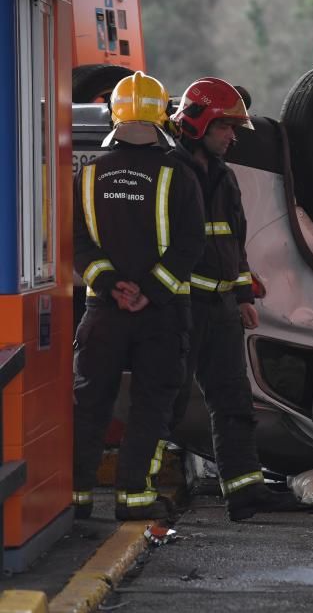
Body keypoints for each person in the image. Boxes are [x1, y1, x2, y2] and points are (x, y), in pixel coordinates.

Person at [72, 71, 205, 521]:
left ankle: (78, 499)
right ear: (162, 118)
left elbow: (76, 242)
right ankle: (133, 495)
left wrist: (112, 285)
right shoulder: (179, 174)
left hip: (102, 312)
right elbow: (191, 244)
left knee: (90, 403)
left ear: (115, 114)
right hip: (160, 313)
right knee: (153, 403)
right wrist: (147, 291)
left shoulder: (87, 173)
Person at [168, 77, 296, 521]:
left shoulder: (225, 178)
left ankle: (245, 493)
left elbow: (234, 244)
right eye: (226, 128)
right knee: (165, 402)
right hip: (180, 310)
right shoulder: (171, 174)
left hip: (221, 311)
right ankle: (139, 491)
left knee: (234, 403)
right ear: (200, 124)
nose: (233, 136)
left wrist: (243, 295)